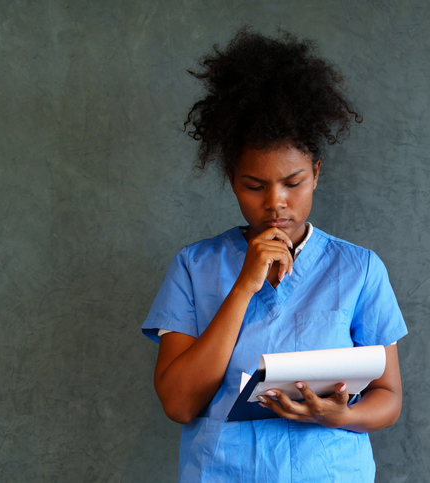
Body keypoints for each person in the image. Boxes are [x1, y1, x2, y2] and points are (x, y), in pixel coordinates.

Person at [141, 28, 407, 482]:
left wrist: (340, 416)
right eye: (254, 185)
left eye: (293, 182)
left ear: (316, 173)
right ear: (231, 179)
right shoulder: (194, 267)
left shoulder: (359, 269)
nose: (275, 202)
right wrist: (245, 285)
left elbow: (389, 398)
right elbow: (180, 403)